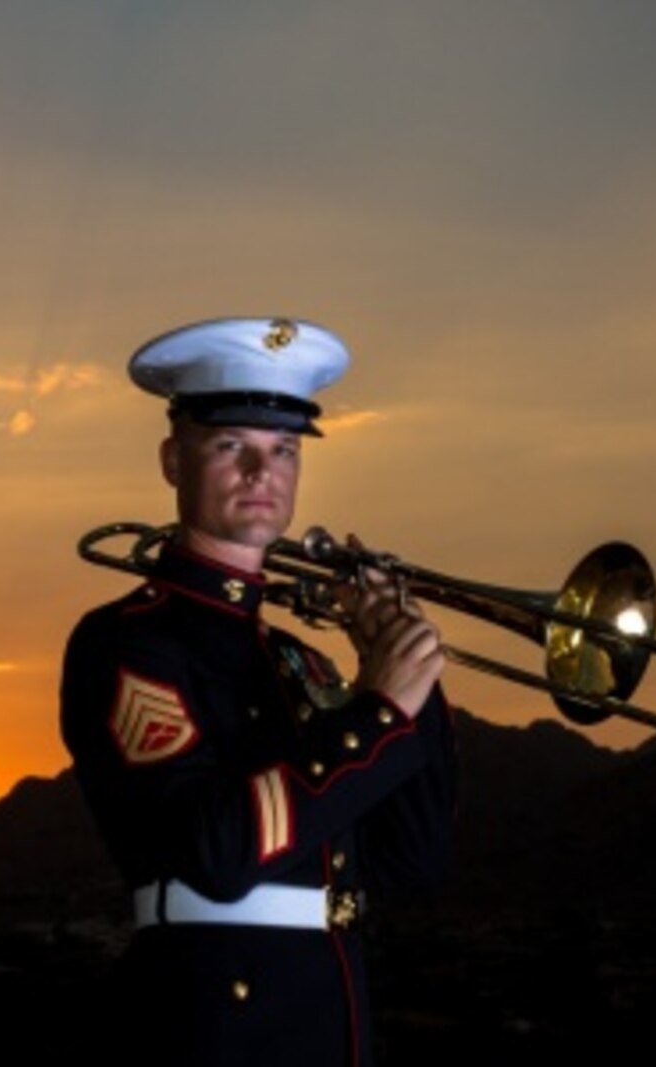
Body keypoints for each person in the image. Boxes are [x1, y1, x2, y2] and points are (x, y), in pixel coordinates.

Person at [59, 316, 459, 1066]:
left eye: (282, 449)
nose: (260, 472)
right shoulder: (128, 641)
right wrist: (377, 709)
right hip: (212, 1020)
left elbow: (412, 858)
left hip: (331, 1015)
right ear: (174, 460)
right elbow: (216, 848)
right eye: (231, 445)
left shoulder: (295, 658)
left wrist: (408, 673)